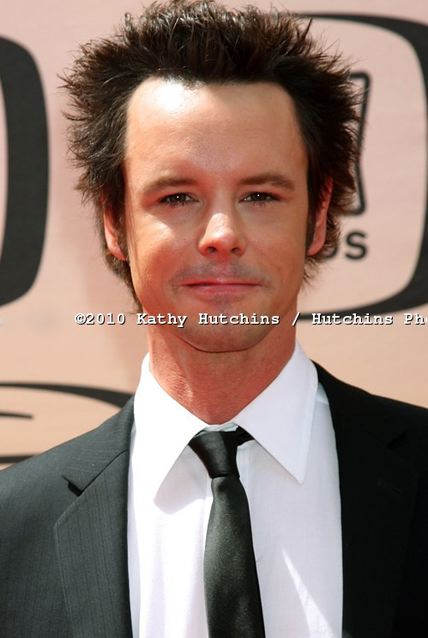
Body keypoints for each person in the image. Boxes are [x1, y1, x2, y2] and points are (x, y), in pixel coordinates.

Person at [0, 1, 427, 637]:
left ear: (318, 216)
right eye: (177, 197)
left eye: (260, 195)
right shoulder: (13, 529)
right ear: (115, 223)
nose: (221, 235)